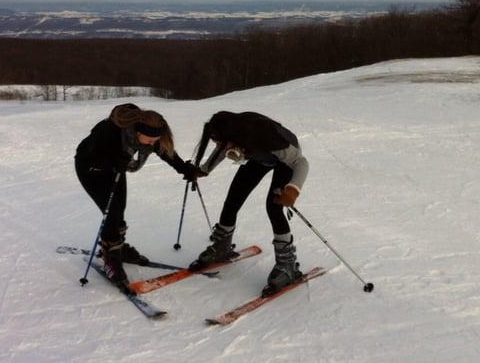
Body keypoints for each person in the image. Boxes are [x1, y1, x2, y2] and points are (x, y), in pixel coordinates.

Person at [75, 103, 199, 286]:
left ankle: (118, 247)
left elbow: (166, 153)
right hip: (91, 169)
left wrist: (184, 169)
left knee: (120, 208)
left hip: (116, 168)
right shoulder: (108, 130)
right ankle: (111, 256)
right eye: (149, 141)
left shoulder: (149, 133)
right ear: (137, 131)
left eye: (155, 140)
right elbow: (89, 154)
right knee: (112, 211)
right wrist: (113, 161)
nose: (153, 144)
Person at [189, 111, 309, 296]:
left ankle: (287, 264)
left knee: (274, 207)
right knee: (233, 198)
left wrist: (292, 189)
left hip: (284, 159)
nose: (219, 146)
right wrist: (203, 170)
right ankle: (222, 246)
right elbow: (222, 148)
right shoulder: (233, 132)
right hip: (258, 156)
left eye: (222, 142)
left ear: (234, 136)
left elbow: (300, 162)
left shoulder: (270, 138)